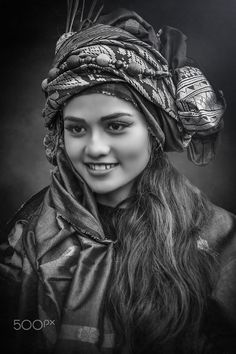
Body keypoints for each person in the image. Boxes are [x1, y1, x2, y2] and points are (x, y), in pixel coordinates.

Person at [0, 2, 236, 354]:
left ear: (153, 130)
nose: (94, 148)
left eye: (116, 126)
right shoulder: (31, 233)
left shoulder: (217, 239)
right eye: (76, 128)